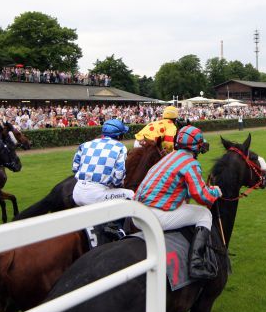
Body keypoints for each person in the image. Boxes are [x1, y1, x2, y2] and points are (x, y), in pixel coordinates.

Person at [135, 125, 220, 279]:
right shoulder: (190, 163)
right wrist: (215, 192)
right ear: (196, 147)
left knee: (184, 205)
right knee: (204, 214)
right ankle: (196, 264)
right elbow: (202, 196)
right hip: (154, 217)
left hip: (136, 214)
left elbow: (185, 189)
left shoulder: (168, 157)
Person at [72, 119, 134, 207]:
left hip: (77, 192)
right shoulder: (120, 147)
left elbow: (75, 168)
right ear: (119, 135)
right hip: (96, 195)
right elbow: (118, 177)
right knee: (131, 194)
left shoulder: (85, 144)